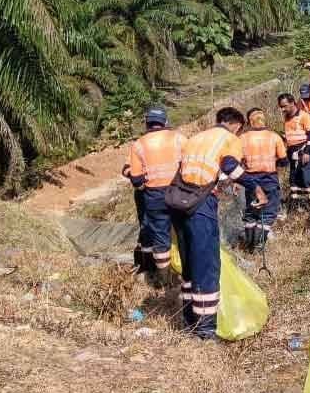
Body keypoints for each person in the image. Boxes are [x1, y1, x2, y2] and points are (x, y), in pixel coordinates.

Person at [173, 107, 245, 339]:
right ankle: (205, 330)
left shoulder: (195, 138)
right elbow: (230, 167)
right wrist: (255, 186)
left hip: (179, 202)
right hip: (200, 205)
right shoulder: (229, 139)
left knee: (190, 265)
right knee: (207, 266)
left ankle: (188, 321)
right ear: (235, 124)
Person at [122, 107, 186, 287]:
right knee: (182, 232)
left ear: (147, 123)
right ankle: (186, 274)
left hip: (154, 196)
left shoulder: (139, 144)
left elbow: (135, 179)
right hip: (179, 192)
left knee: (160, 237)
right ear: (165, 122)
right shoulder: (179, 138)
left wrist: (143, 183)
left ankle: (164, 280)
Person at [239, 108, 288, 253]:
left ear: (249, 122)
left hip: (250, 180)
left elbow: (237, 161)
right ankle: (259, 246)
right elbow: (284, 161)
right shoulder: (274, 137)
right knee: (268, 213)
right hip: (269, 178)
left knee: (251, 211)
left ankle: (249, 245)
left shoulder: (243, 138)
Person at [279, 92, 310, 203]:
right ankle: (297, 204)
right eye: (281, 107)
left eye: (284, 106)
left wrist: (307, 152)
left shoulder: (304, 116)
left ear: (292, 103)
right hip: (292, 152)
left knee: (306, 178)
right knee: (294, 178)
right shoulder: (287, 117)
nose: (282, 109)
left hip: (304, 150)